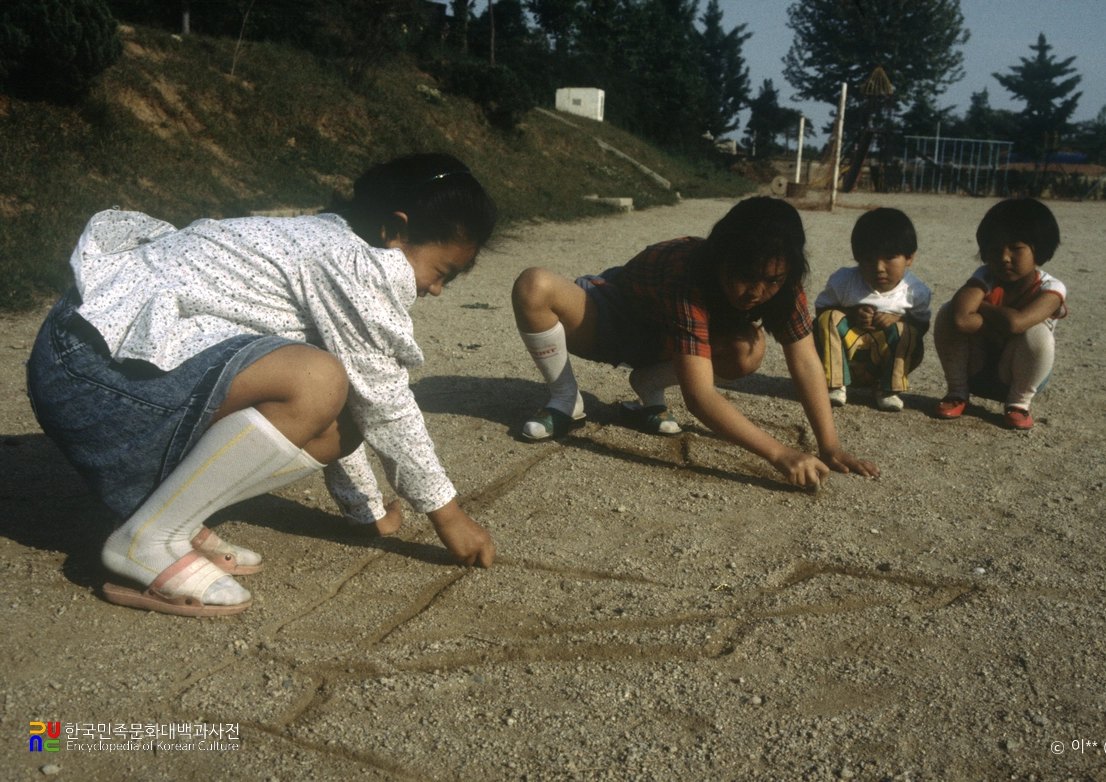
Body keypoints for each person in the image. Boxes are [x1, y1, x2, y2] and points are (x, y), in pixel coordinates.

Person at [26, 153, 498, 617]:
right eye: (441, 272)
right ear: (395, 230)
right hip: (89, 371)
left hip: (95, 361)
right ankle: (147, 540)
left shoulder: (331, 241)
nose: (435, 289)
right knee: (315, 379)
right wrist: (449, 517)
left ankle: (168, 516)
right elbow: (384, 402)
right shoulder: (355, 264)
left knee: (331, 394)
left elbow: (356, 396)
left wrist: (366, 511)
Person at [510, 196, 878, 488]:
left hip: (665, 341)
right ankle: (565, 399)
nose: (757, 291)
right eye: (746, 275)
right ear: (722, 257)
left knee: (747, 350)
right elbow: (700, 398)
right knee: (534, 285)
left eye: (772, 280)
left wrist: (829, 446)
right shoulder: (687, 271)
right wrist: (780, 454)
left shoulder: (782, 280)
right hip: (613, 321)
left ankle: (649, 382)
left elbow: (806, 361)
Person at [932, 198, 1066, 430]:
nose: (1004, 257)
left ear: (1039, 249)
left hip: (1017, 375)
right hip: (978, 370)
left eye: (1015, 248)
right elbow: (961, 319)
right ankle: (957, 391)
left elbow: (1017, 324)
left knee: (1037, 332)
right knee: (947, 312)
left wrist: (982, 306)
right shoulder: (986, 276)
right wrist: (1003, 323)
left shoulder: (1051, 288)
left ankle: (1019, 404)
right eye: (995, 248)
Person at [813, 207, 931, 412]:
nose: (879, 268)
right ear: (857, 258)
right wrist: (851, 314)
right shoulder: (844, 281)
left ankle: (887, 389)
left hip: (883, 361)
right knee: (829, 318)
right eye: (869, 259)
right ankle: (835, 384)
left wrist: (897, 320)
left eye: (890, 257)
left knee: (908, 332)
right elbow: (821, 312)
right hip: (846, 358)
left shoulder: (915, 291)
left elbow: (922, 326)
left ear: (909, 257)